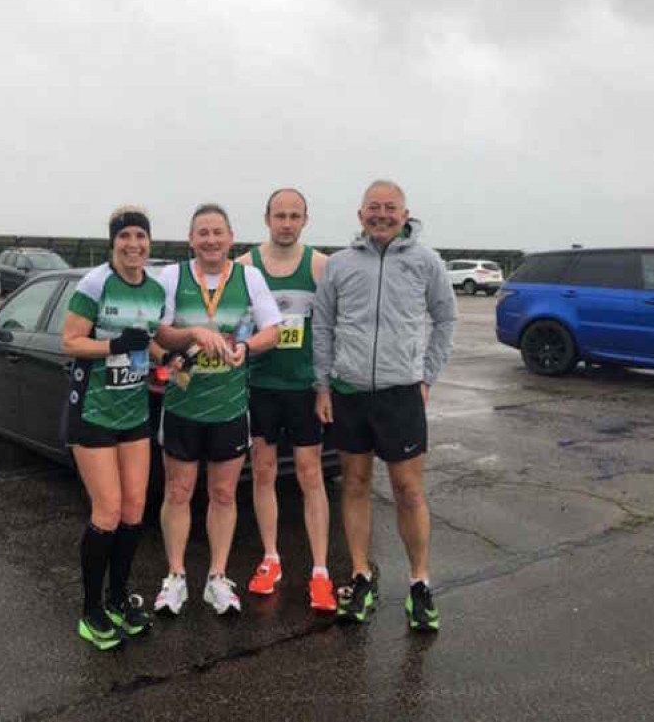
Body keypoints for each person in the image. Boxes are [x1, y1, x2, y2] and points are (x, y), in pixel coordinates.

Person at [312, 180, 457, 631]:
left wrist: (426, 377)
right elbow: (323, 326)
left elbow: (446, 317)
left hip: (400, 394)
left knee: (408, 491)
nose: (381, 214)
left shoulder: (425, 261)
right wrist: (323, 386)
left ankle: (419, 582)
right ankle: (360, 575)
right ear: (360, 215)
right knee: (354, 484)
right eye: (373, 208)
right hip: (350, 392)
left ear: (405, 213)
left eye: (389, 208)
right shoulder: (339, 264)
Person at [153, 204, 281, 616]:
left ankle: (217, 578)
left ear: (230, 238)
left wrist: (246, 347)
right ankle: (175, 577)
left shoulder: (250, 277)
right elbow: (157, 334)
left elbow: (273, 331)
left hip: (229, 407)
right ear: (191, 239)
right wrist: (188, 336)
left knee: (223, 493)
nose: (210, 240)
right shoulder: (172, 276)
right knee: (178, 491)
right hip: (182, 403)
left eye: (217, 232)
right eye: (202, 233)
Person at [62, 206, 166, 650]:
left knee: (135, 510)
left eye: (140, 236)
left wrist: (172, 359)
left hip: (134, 414)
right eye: (125, 237)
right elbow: (70, 341)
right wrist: (112, 346)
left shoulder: (156, 289)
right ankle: (91, 611)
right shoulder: (95, 284)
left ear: (149, 242)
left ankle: (119, 599)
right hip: (93, 412)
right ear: (113, 243)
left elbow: (153, 341)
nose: (133, 244)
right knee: (106, 510)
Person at [235, 188, 336, 612]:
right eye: (280, 215)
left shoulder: (320, 265)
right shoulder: (244, 266)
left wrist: (324, 386)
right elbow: (234, 324)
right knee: (263, 471)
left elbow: (333, 328)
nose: (287, 223)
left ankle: (320, 571)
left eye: (295, 216)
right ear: (267, 218)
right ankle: (271, 558)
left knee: (311, 475)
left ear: (306, 220)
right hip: (261, 387)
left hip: (303, 389)